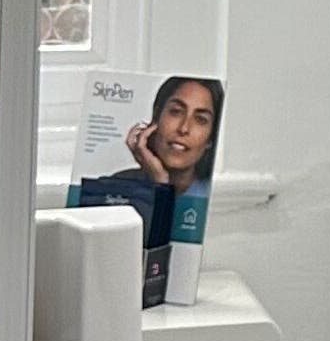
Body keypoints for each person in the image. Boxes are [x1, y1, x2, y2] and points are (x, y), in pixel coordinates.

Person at [73, 77, 221, 301]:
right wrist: (158, 182)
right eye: (175, 112)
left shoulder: (201, 195)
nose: (184, 128)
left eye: (200, 119)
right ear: (155, 119)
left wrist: (161, 186)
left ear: (211, 139)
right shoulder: (116, 185)